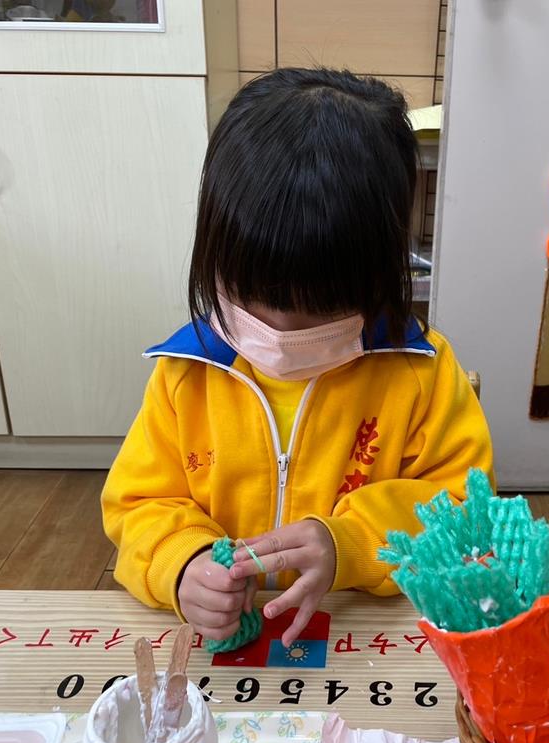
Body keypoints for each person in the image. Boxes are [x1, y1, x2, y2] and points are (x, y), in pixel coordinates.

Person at [101, 69, 494, 648]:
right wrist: (181, 564)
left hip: (363, 632)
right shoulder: (187, 372)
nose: (280, 331)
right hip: (227, 642)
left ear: (382, 272)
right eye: (250, 297)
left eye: (320, 308)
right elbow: (139, 503)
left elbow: (465, 511)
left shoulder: (420, 372)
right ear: (213, 254)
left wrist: (350, 543)